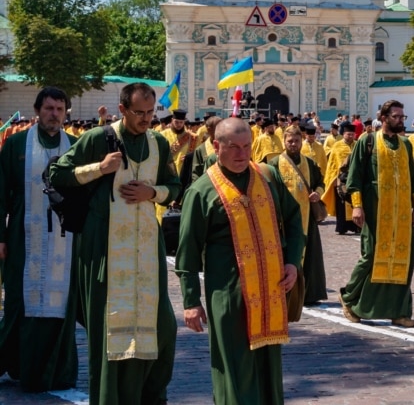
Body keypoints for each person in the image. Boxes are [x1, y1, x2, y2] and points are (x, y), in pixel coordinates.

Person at [49, 82, 180, 405]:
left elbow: (174, 185)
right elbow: (56, 174)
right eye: (139, 113)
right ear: (122, 109)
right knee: (109, 330)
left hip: (148, 250)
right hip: (104, 250)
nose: (147, 119)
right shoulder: (98, 138)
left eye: (151, 113)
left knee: (163, 326)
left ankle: (149, 396)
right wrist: (99, 168)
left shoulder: (159, 143)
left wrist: (153, 193)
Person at [176, 118, 305, 405]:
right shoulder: (201, 191)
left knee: (268, 367)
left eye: (247, 146)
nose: (241, 154)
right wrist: (190, 301)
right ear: (217, 146)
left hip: (271, 290)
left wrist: (293, 262)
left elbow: (295, 220)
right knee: (234, 366)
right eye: (233, 147)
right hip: (228, 295)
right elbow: (188, 251)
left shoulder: (267, 176)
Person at [0, 87, 79, 392]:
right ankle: (20, 363)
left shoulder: (74, 145)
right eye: (49, 108)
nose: (54, 115)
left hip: (64, 237)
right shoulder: (17, 144)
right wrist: (2, 236)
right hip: (24, 235)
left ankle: (57, 369)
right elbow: (2, 192)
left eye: (60, 109)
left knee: (60, 304)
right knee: (21, 301)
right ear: (37, 110)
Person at [339, 100, 414, 327]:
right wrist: (357, 205)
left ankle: (399, 311)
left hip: (402, 213)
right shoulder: (367, 141)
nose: (400, 120)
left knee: (405, 259)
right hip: (376, 210)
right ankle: (349, 298)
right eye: (395, 116)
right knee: (371, 256)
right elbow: (355, 177)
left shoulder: (406, 144)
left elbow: (413, 177)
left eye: (402, 117)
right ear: (383, 118)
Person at [269, 126, 327, 308]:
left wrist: (317, 193)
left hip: (307, 216)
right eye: (290, 141)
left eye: (296, 141)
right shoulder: (275, 163)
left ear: (301, 142)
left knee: (310, 256)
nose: (293, 144)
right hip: (284, 219)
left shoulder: (309, 163)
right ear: (284, 142)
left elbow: (320, 183)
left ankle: (309, 293)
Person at [323, 123, 359, 235]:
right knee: (342, 204)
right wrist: (333, 179)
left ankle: (356, 226)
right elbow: (332, 164)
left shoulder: (357, 145)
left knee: (355, 202)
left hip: (354, 178)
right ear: (343, 134)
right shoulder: (337, 146)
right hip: (341, 180)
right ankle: (342, 227)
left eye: (352, 134)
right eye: (348, 134)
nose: (351, 136)